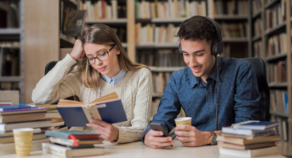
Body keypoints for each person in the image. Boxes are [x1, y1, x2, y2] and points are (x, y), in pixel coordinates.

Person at [143, 16, 261, 149]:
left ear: (216, 49)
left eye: (199, 54)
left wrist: (208, 137)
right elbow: (161, 120)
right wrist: (149, 136)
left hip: (234, 150)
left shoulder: (241, 71)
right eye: (186, 54)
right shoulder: (178, 79)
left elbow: (245, 128)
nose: (192, 63)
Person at [32, 24, 152, 144]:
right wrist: (71, 58)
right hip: (80, 144)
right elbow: (39, 98)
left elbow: (142, 127)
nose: (98, 63)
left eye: (102, 54)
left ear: (117, 49)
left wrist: (118, 134)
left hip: (118, 149)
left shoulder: (141, 75)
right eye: (91, 58)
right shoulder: (81, 75)